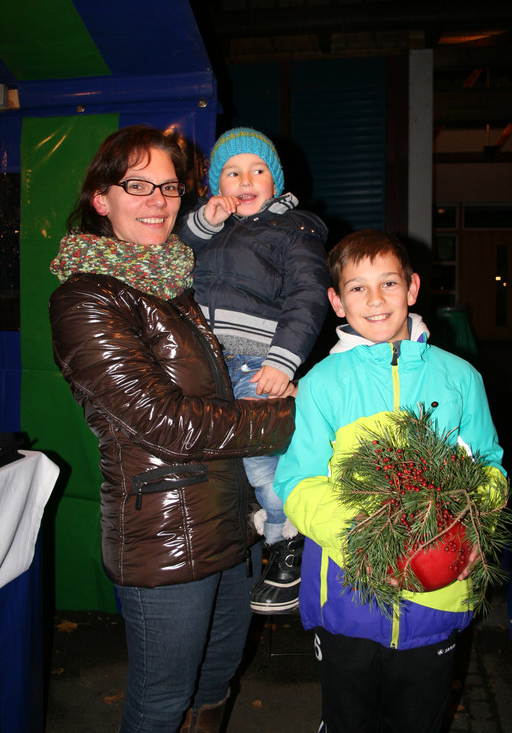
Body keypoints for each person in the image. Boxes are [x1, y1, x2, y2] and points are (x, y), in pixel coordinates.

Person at [49, 125, 296, 733]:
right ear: (102, 198)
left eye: (168, 187)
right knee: (161, 703)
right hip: (165, 537)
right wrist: (292, 417)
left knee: (216, 681)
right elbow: (165, 421)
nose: (157, 200)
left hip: (230, 525)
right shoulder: (87, 299)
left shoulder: (180, 286)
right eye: (137, 185)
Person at [273, 229, 508, 733]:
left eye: (389, 283)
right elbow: (297, 481)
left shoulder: (460, 377)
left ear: (413, 288)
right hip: (347, 599)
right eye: (357, 288)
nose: (375, 299)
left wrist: (472, 527)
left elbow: (490, 465)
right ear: (337, 301)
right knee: (348, 720)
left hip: (437, 600)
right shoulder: (322, 383)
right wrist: (367, 543)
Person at [179, 126, 330, 614]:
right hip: (206, 362)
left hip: (256, 362)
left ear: (275, 181)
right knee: (221, 462)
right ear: (216, 185)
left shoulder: (293, 229)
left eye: (258, 170)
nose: (246, 180)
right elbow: (173, 251)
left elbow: (308, 296)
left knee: (261, 460)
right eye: (233, 172)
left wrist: (282, 360)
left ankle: (289, 541)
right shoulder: (211, 229)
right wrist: (203, 222)